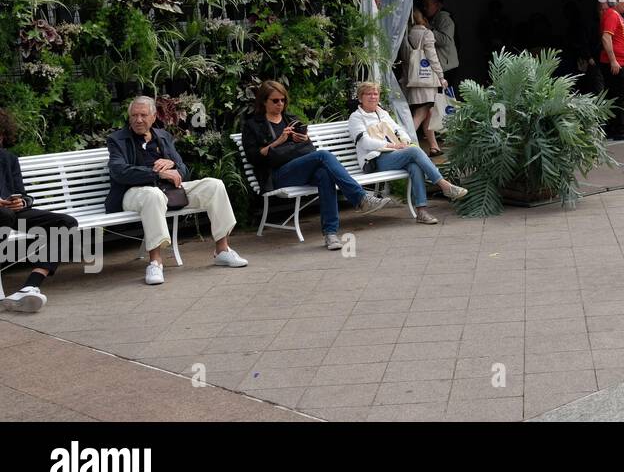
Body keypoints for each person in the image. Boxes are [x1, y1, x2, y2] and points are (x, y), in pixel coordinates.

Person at [108, 96, 248, 285]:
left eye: (143, 115)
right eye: (134, 115)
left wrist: (172, 164)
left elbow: (183, 170)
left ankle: (222, 250)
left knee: (214, 185)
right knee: (153, 195)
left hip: (168, 190)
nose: (138, 120)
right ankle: (156, 262)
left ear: (153, 116)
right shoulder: (117, 140)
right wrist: (157, 174)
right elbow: (119, 171)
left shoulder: (163, 136)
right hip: (134, 193)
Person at [241, 80, 389, 251]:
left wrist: (304, 140)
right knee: (323, 155)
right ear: (263, 101)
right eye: (275, 101)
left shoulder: (291, 120)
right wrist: (278, 142)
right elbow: (254, 157)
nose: (280, 104)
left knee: (324, 174)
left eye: (283, 100)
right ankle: (360, 198)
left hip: (300, 169)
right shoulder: (253, 125)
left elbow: (309, 151)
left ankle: (330, 235)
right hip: (277, 174)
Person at [349, 82, 467, 225]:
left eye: (375, 93)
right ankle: (444, 185)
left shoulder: (382, 113)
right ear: (360, 98)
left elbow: (398, 129)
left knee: (414, 165)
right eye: (368, 94)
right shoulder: (356, 117)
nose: (373, 97)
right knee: (413, 150)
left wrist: (404, 140)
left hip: (393, 154)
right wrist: (392, 145)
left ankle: (422, 211)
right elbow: (365, 143)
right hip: (374, 160)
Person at [1, 109, 79, 311]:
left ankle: (30, 286)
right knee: (5, 214)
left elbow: (23, 194)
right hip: (4, 216)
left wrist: (22, 203)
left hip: (10, 214)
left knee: (66, 222)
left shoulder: (8, 158)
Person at [401, 6, 447, 154]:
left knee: (428, 113)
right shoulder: (427, 34)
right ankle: (404, 143)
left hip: (413, 79)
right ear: (425, 20)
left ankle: (434, 147)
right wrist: (441, 76)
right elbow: (432, 57)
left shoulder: (406, 35)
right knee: (420, 114)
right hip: (427, 81)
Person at [600, 0, 624, 139]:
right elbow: (606, 37)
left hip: (619, 63)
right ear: (617, 1)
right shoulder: (612, 14)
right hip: (616, 64)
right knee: (619, 97)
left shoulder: (615, 15)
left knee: (614, 97)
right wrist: (614, 60)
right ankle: (619, 131)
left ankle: (612, 129)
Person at [422, 0, 460, 90]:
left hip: (447, 67)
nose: (425, 8)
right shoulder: (435, 18)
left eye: (427, 4)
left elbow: (445, 40)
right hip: (443, 66)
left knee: (445, 99)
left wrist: (428, 28)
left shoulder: (444, 18)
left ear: (437, 4)